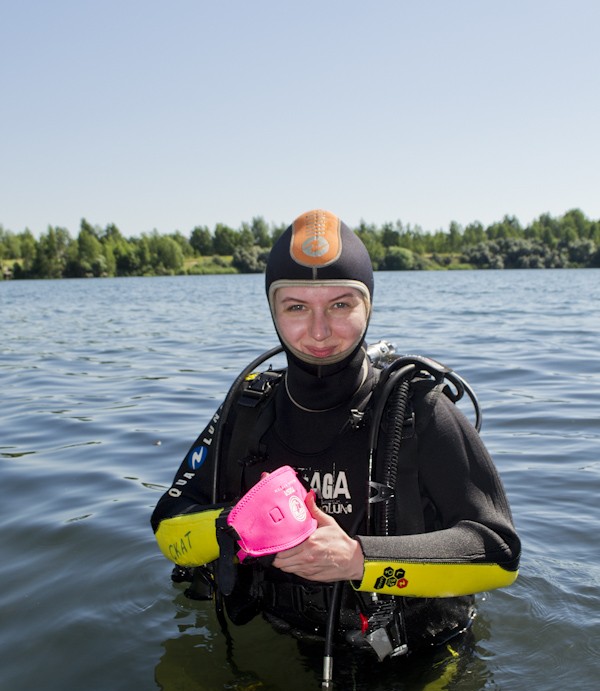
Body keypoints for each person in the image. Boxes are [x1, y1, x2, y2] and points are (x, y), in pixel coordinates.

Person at [151, 209, 520, 664]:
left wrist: (358, 559)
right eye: (297, 307)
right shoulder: (247, 410)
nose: (320, 331)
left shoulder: (417, 411)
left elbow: (499, 555)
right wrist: (242, 524)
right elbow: (168, 528)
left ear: (369, 305)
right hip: (274, 641)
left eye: (341, 304)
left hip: (411, 655)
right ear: (273, 310)